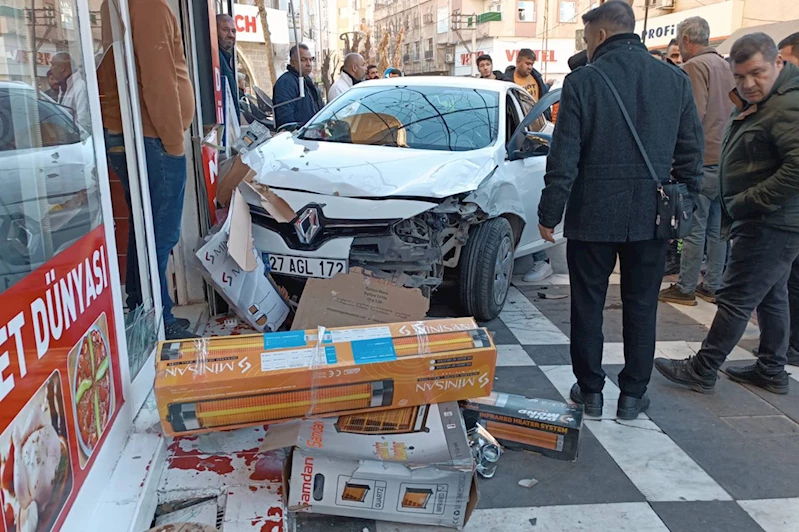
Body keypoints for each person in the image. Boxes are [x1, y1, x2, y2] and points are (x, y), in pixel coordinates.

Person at [537, 0, 703, 419]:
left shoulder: (583, 82)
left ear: (603, 35)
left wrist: (549, 213)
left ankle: (591, 392)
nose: (587, 46)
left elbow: (565, 156)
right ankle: (632, 395)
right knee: (642, 305)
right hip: (651, 215)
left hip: (593, 214)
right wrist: (685, 204)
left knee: (588, 304)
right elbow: (690, 156)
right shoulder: (674, 80)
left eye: (588, 37)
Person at [655, 33, 799, 395]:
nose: (748, 84)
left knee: (737, 296)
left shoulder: (787, 105)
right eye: (739, 76)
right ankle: (771, 369)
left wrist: (750, 200)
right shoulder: (768, 100)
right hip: (769, 219)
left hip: (771, 221)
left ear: (778, 64)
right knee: (771, 295)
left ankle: (704, 368)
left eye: (757, 73)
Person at [98, 0, 197, 339]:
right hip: (151, 138)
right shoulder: (147, 6)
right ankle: (157, 323)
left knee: (146, 233)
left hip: (139, 135)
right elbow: (159, 81)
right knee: (159, 235)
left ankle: (146, 312)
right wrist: (173, 142)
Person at [659, 17, 735, 306]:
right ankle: (712, 284)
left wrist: (678, 158)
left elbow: (693, 118)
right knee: (718, 231)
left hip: (703, 160)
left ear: (687, 40)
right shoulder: (725, 65)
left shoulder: (694, 67)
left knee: (693, 228)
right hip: (725, 158)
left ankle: (686, 287)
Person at [506, 48, 554, 282]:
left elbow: (541, 116)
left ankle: (541, 260)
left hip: (521, 146)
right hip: (502, 140)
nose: (530, 67)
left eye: (533, 64)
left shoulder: (536, 82)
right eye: (527, 63)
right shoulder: (505, 82)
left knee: (526, 207)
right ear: (517, 62)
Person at [274, 44, 323, 129]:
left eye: (310, 60)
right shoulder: (286, 82)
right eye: (303, 60)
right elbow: (286, 119)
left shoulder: (307, 81)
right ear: (293, 62)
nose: (308, 64)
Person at [51, 52, 90, 129]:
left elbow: (83, 122)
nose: (50, 68)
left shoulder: (80, 87)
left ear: (62, 68)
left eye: (52, 65)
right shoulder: (64, 86)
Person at [216, 14, 240, 122]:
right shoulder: (215, 58)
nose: (231, 35)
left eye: (233, 31)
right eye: (225, 30)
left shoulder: (224, 58)